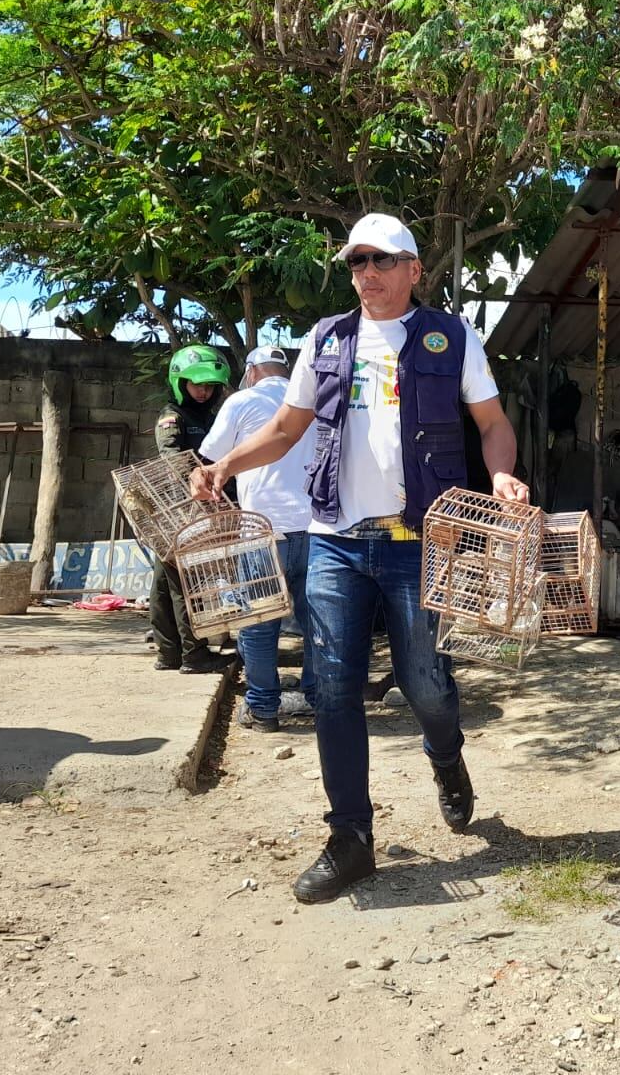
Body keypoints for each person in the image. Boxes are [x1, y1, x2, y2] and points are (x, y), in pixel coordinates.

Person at [192, 212, 530, 904]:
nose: (367, 274)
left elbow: (492, 424)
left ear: (413, 270)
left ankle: (447, 758)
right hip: (336, 542)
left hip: (417, 542)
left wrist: (500, 476)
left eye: (381, 261)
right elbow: (287, 430)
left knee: (425, 683)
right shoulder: (326, 338)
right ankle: (351, 839)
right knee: (333, 689)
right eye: (356, 263)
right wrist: (224, 462)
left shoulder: (450, 338)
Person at [199, 345, 315, 732]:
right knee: (320, 624)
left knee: (259, 623)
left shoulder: (242, 400)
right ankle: (317, 699)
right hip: (317, 529)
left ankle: (264, 708)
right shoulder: (313, 398)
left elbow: (209, 458)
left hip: (265, 530)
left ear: (252, 372)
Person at [149, 343, 233, 674]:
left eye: (209, 385)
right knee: (184, 579)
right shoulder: (173, 417)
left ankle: (170, 653)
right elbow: (170, 456)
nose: (203, 391)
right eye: (196, 384)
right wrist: (196, 476)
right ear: (180, 383)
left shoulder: (211, 416)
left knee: (165, 579)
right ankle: (192, 654)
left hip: (199, 508)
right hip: (179, 509)